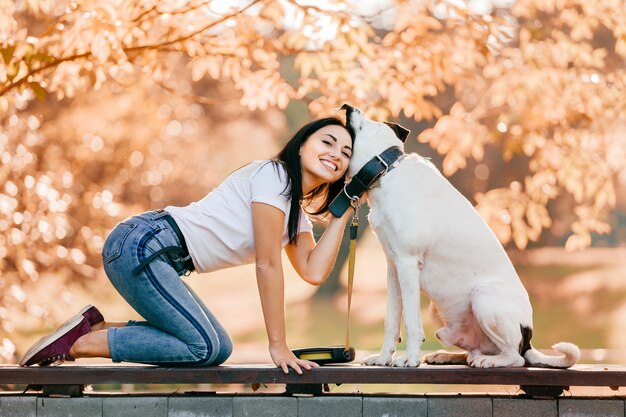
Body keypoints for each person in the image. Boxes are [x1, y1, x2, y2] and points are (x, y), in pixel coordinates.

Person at [20, 117, 355, 374]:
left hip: (156, 252)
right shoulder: (275, 176)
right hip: (144, 244)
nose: (336, 154)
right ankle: (80, 344)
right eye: (327, 141)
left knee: (218, 346)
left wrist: (347, 207)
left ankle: (94, 328)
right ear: (301, 144)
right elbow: (267, 264)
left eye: (345, 153)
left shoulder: (293, 212)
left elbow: (313, 271)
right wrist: (279, 347)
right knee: (203, 346)